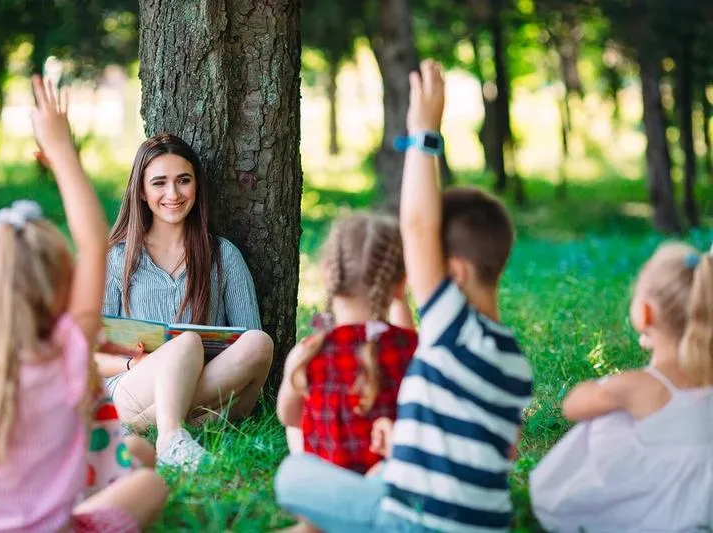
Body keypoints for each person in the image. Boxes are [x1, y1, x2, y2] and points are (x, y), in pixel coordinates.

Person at [274, 59, 533, 533]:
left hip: (413, 522)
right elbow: (506, 449)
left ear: (452, 272)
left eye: (425, 264)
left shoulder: (451, 330)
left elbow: (416, 225)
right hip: (489, 524)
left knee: (293, 475)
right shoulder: (513, 360)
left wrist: (424, 134)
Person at [0, 79, 167, 532]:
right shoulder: (66, 355)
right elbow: (94, 245)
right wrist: (61, 149)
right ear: (60, 290)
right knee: (149, 484)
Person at [97, 133, 274, 469]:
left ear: (196, 186)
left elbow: (248, 347)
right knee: (185, 344)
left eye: (183, 181)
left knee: (260, 343)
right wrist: (138, 364)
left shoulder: (223, 255)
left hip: (206, 378)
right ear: (142, 192)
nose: (173, 194)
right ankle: (172, 435)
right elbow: (91, 356)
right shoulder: (116, 259)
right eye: (159, 183)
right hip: (131, 386)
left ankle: (157, 424)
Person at [530, 242, 713, 533]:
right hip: (703, 508)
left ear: (646, 313)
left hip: (654, 516)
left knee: (609, 417)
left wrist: (601, 385)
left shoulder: (641, 386)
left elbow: (572, 407)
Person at [276, 213, 417, 474]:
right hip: (395, 483)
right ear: (400, 284)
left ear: (328, 273)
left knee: (295, 433)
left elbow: (289, 417)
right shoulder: (411, 349)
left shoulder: (308, 353)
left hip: (330, 489)